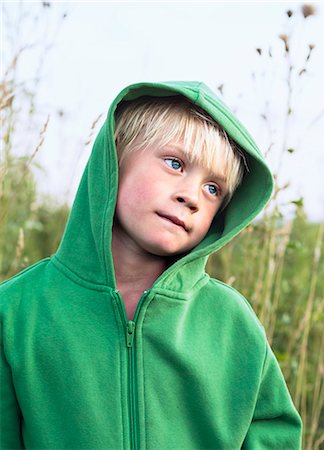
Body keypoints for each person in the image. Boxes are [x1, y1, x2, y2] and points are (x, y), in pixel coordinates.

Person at [0, 81, 302, 449]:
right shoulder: (17, 311)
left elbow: (273, 433)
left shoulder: (231, 322)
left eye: (213, 189)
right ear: (114, 160)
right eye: (175, 163)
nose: (191, 196)